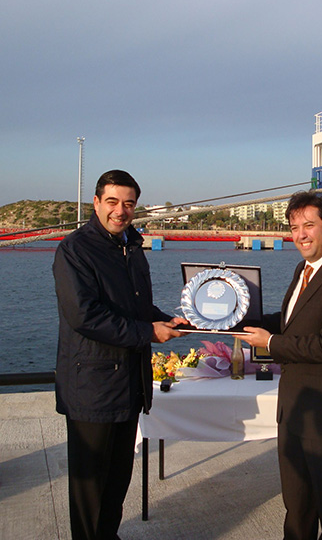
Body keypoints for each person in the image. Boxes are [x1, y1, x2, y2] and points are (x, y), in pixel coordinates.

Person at [53, 169, 188, 540]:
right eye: (112, 201)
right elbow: (85, 316)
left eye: (128, 204)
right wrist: (148, 332)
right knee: (90, 492)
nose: (120, 210)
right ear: (96, 202)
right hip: (92, 390)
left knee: (115, 487)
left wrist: (165, 320)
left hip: (128, 386)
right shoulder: (74, 250)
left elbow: (136, 308)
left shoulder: (131, 246)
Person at [240, 191, 322, 540]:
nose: (300, 235)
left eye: (309, 226)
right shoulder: (303, 269)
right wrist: (239, 318)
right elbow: (291, 322)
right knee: (296, 506)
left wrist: (269, 343)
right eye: (294, 228)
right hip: (293, 409)